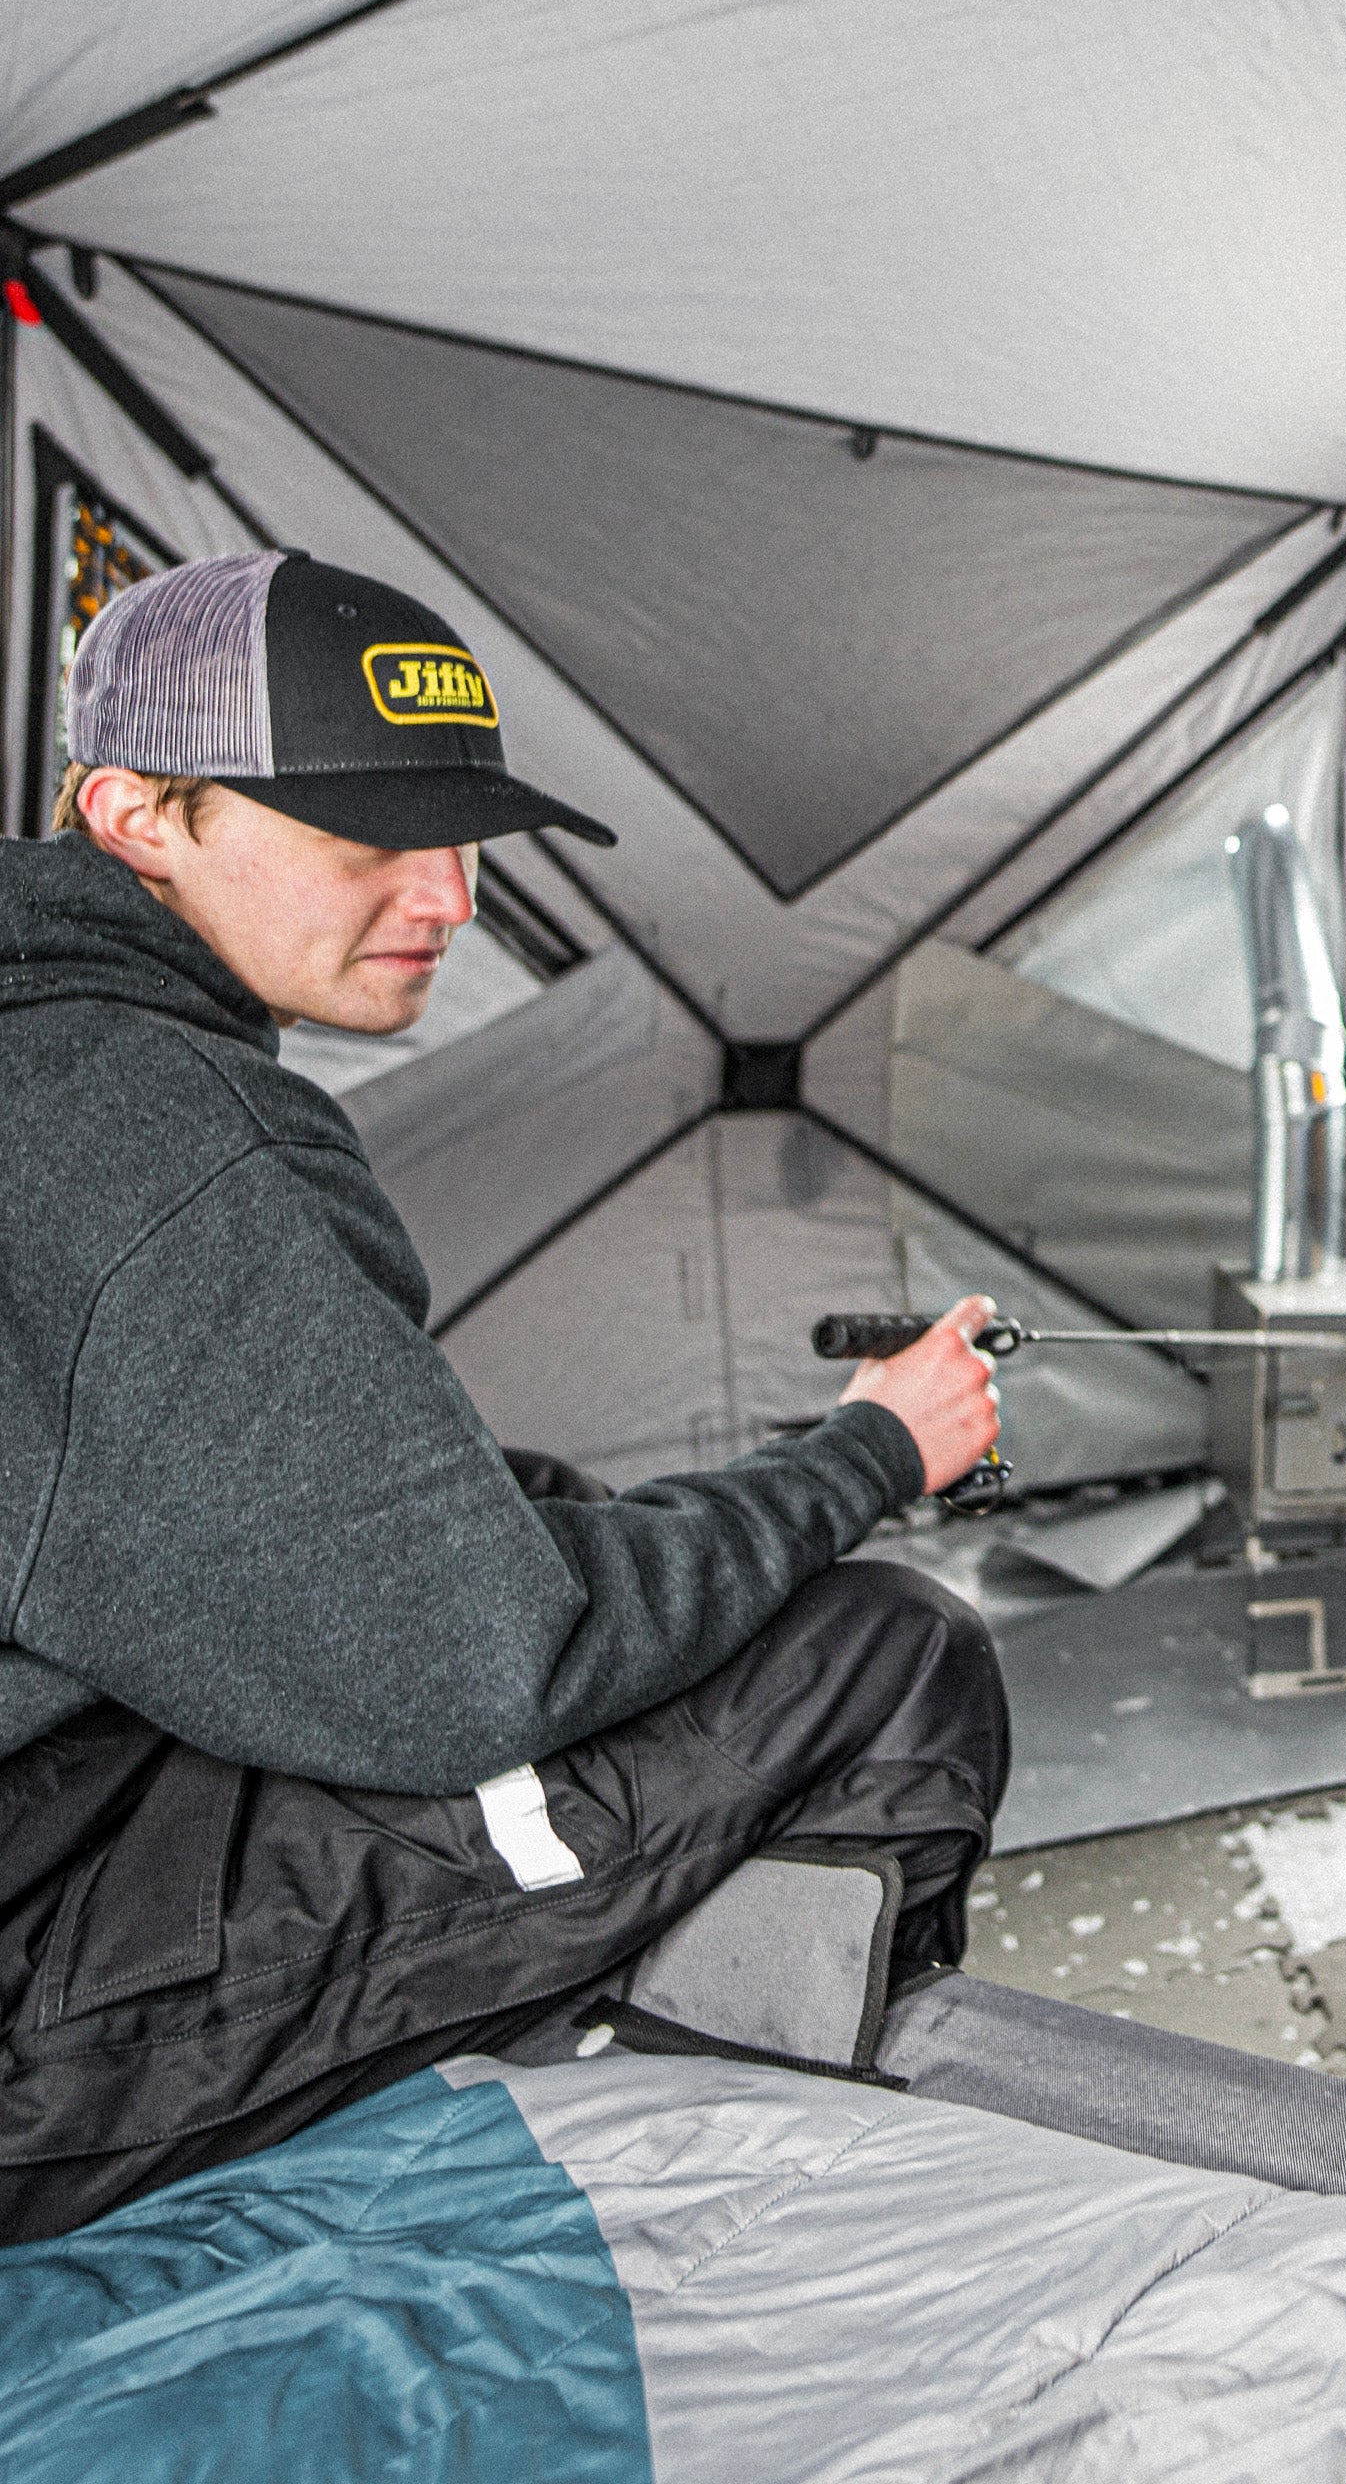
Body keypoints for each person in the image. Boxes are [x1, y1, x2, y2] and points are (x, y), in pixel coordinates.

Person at [0, 549, 1011, 2246]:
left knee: (532, 1489)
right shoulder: (156, 1132)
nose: (448, 901)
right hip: (37, 2007)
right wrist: (870, 1450)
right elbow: (480, 1668)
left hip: (59, 1800)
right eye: (370, 843)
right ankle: (724, 2206)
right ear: (137, 815)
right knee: (881, 1651)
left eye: (460, 841)